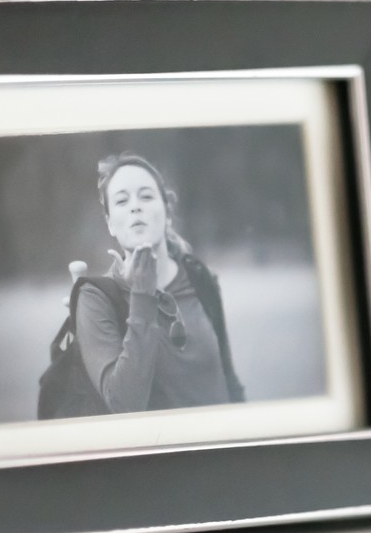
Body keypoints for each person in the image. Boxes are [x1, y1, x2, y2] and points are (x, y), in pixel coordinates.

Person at [74, 152, 245, 414]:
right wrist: (142, 295)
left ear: (167, 213)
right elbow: (125, 405)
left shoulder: (200, 279)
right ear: (110, 224)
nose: (135, 206)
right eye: (121, 201)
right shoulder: (95, 299)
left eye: (146, 196)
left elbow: (230, 381)